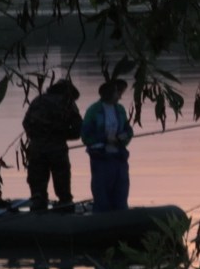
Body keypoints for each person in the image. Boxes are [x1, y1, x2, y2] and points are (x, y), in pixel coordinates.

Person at [22, 79, 82, 211]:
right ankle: (65, 207)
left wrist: (37, 137)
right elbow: (78, 129)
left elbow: (26, 123)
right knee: (62, 183)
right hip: (57, 149)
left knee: (37, 184)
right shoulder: (67, 103)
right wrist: (62, 136)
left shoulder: (38, 100)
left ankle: (38, 209)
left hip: (37, 149)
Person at [81, 80, 133, 212]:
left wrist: (123, 137)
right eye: (117, 93)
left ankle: (121, 214)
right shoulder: (93, 110)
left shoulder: (120, 109)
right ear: (110, 94)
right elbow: (86, 136)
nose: (120, 96)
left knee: (121, 190)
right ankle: (102, 216)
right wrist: (105, 139)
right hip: (101, 158)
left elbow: (128, 130)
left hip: (119, 156)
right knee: (102, 191)